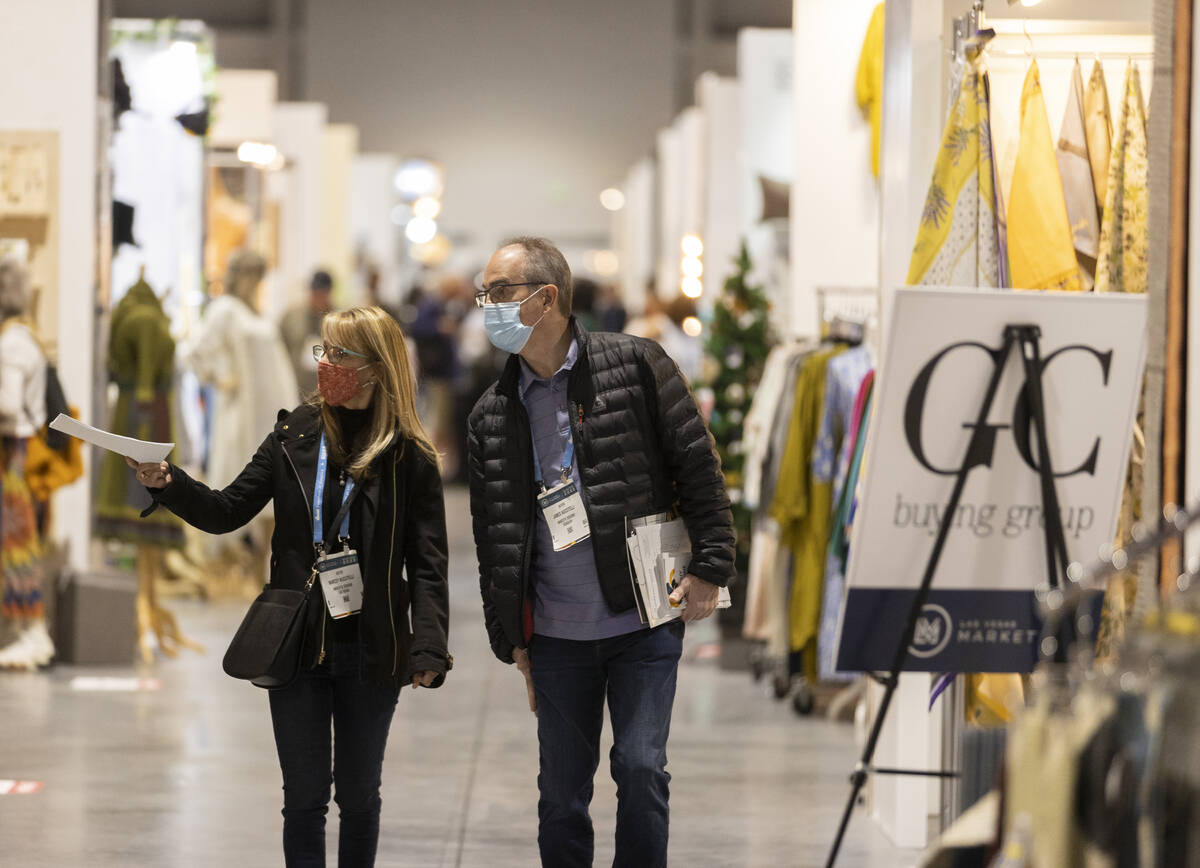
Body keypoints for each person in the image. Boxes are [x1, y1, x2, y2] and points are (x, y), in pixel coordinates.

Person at [129, 305, 452, 867]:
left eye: (339, 354)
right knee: (302, 799)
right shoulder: (293, 435)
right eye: (321, 350)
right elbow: (227, 509)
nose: (325, 364)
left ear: (377, 368)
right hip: (296, 639)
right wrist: (169, 482)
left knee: (358, 796)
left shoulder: (408, 456)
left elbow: (427, 563)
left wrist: (428, 643)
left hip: (373, 645)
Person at [466, 237, 735, 868]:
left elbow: (699, 469)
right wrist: (514, 639)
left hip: (641, 617)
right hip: (557, 636)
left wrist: (710, 568)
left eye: (500, 293)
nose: (488, 307)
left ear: (547, 298)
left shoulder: (639, 365)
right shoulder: (490, 414)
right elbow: (492, 538)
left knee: (641, 771)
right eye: (485, 295)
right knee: (561, 798)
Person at [0, 259, 53, 670]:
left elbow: (8, 404)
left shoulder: (12, 344)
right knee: (18, 545)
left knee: (16, 546)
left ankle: (30, 635)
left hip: (12, 457)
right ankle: (26, 633)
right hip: (21, 454)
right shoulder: (27, 338)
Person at [280, 269, 335, 395]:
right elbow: (279, 348)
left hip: (327, 391)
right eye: (315, 293)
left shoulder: (338, 321)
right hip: (295, 388)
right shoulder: (292, 316)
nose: (318, 298)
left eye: (322, 294)